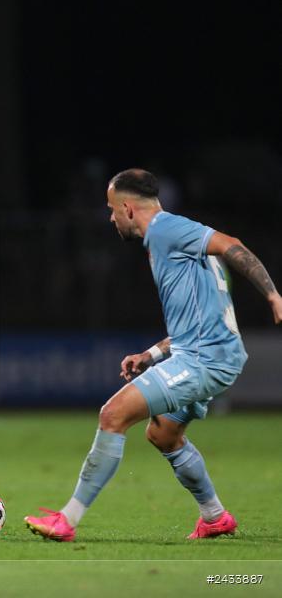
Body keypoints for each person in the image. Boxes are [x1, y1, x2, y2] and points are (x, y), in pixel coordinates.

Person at [25, 168, 282, 541]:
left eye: (113, 210)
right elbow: (195, 319)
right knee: (164, 434)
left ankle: (66, 520)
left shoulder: (166, 229)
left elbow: (233, 245)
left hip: (203, 360)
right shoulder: (176, 239)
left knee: (112, 415)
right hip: (205, 353)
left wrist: (272, 294)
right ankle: (214, 516)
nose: (111, 218)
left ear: (129, 209)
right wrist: (151, 353)